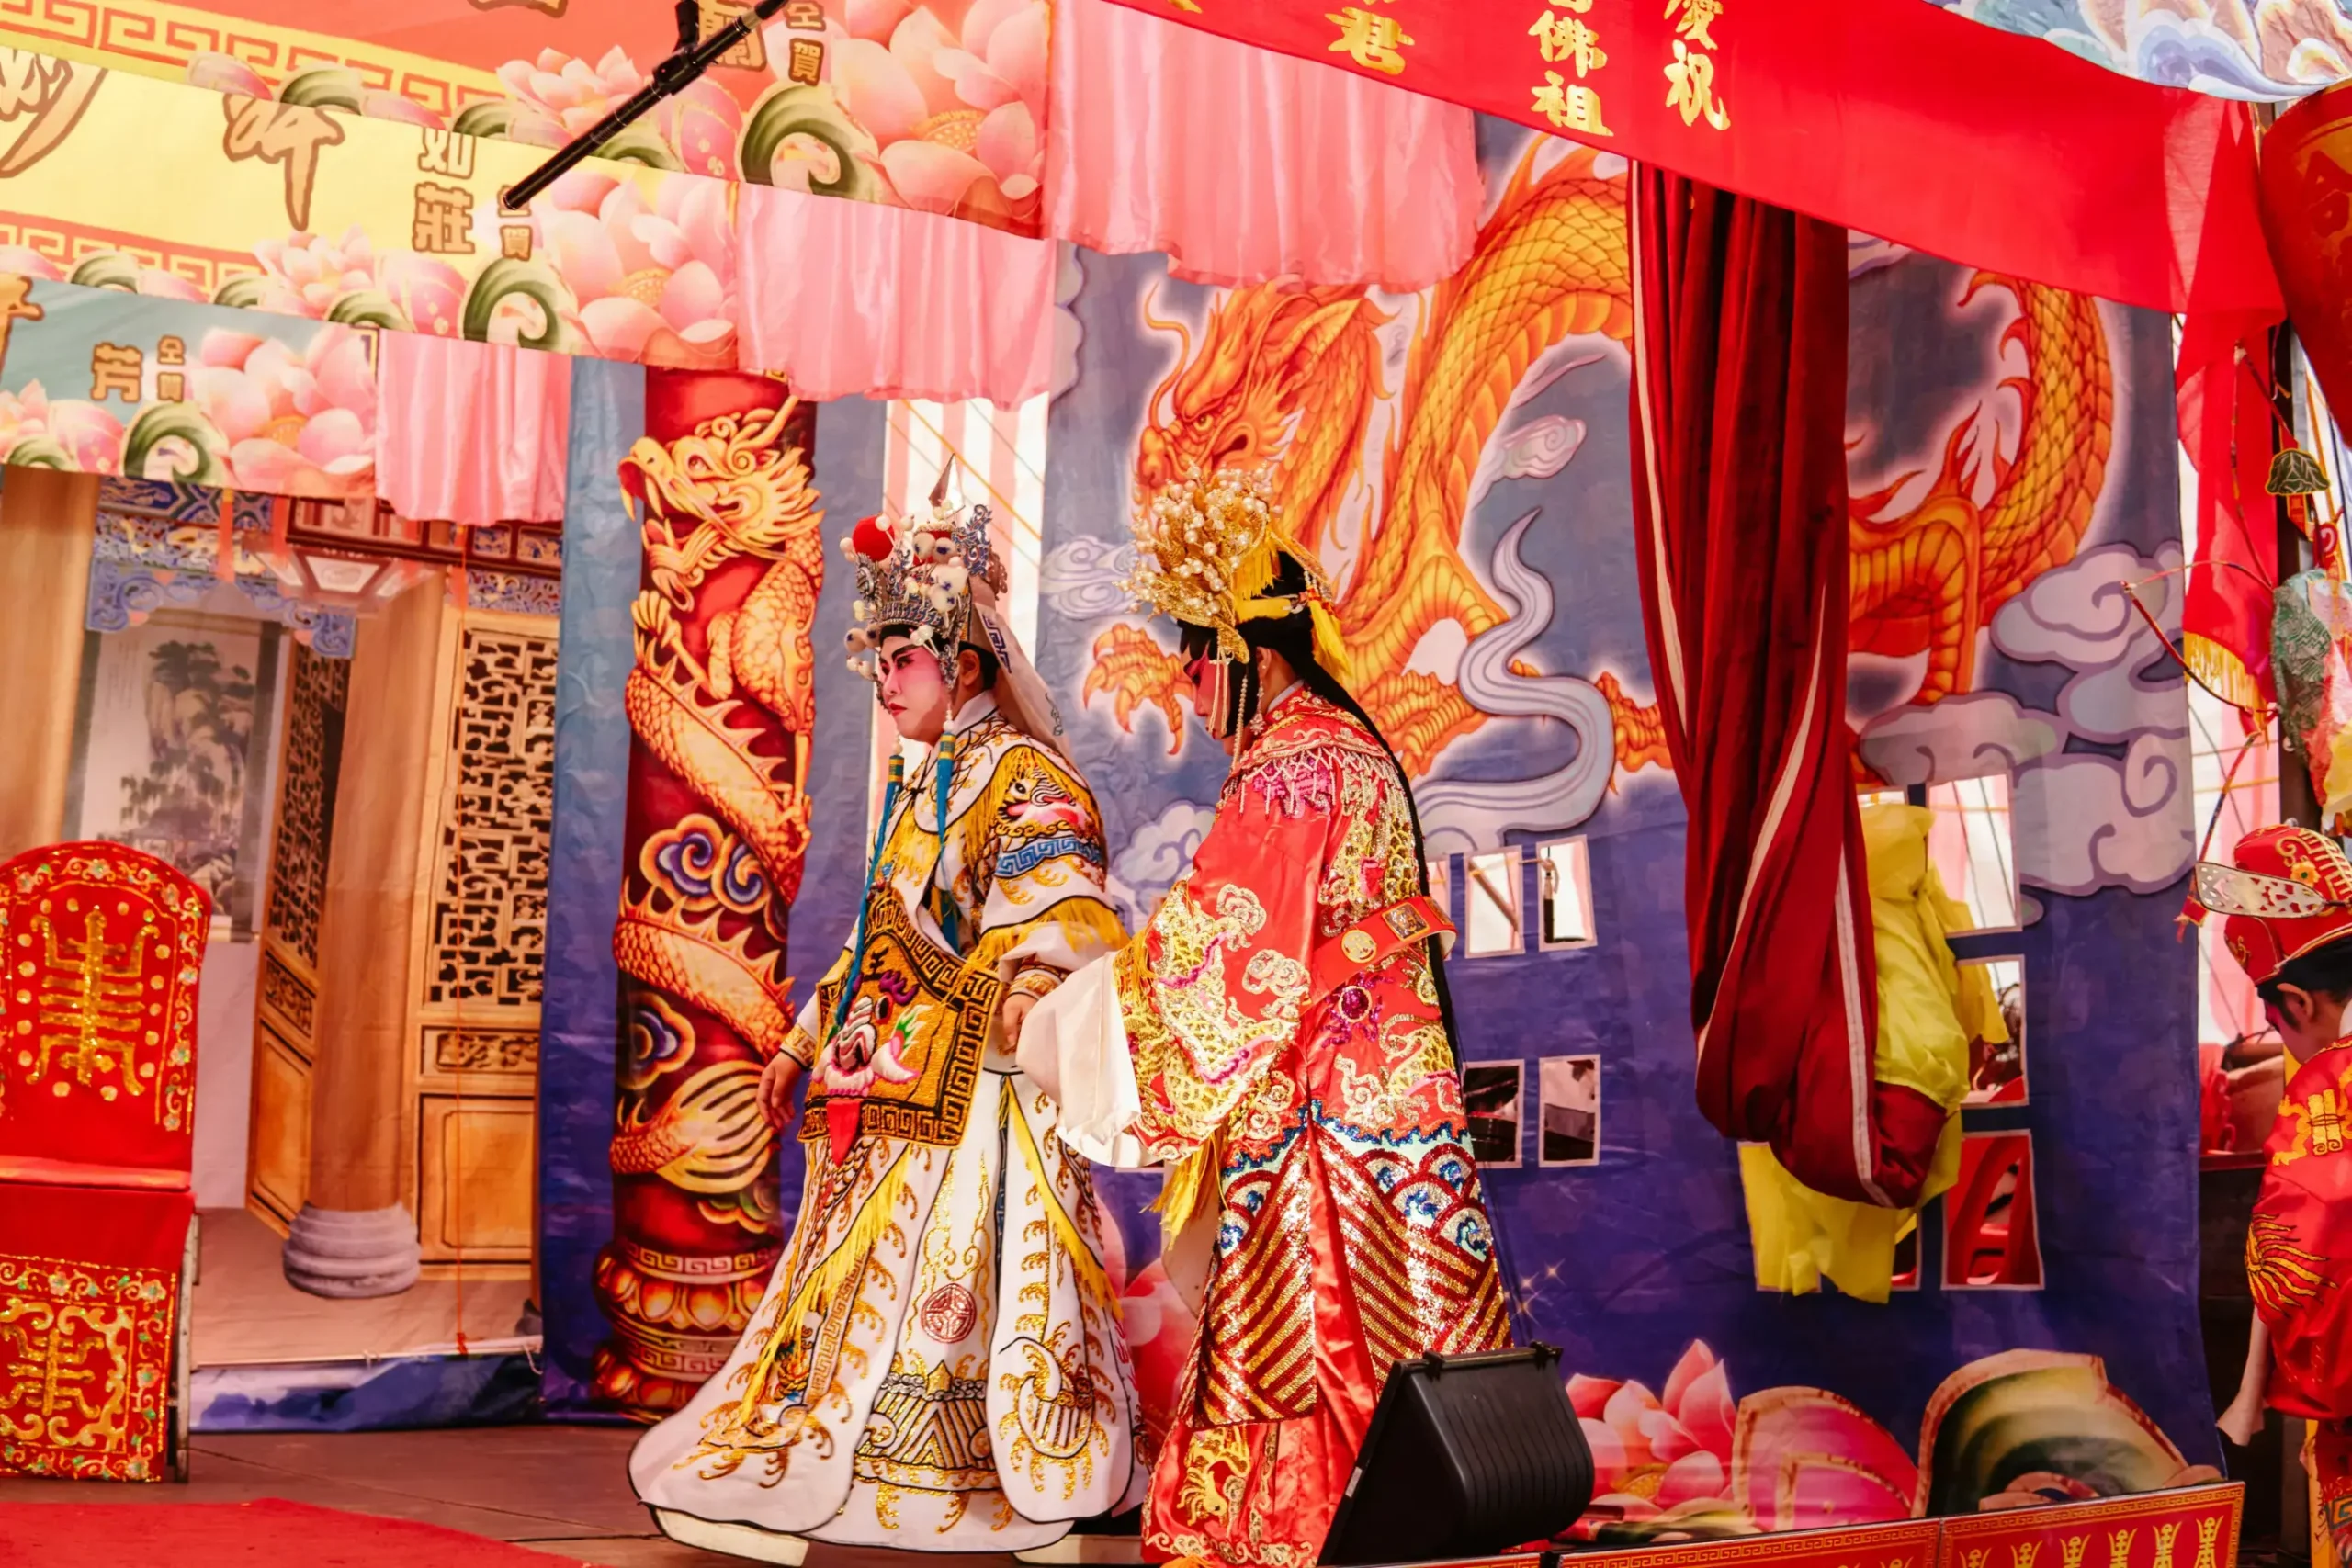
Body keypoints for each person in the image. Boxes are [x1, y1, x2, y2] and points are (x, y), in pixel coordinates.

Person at [632, 489, 1145, 1561]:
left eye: (900, 655)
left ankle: (971, 1467)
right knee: (851, 1289)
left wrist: (1002, 987)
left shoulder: (1030, 778)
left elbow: (1070, 923)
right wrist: (799, 1040)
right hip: (892, 1093)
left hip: (987, 1105)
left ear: (963, 664)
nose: (881, 675)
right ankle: (839, 1456)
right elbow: (878, 935)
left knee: (962, 1294)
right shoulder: (919, 791)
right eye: (876, 654)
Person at [1021, 467, 1514, 1568]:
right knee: (1422, 1310)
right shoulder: (1362, 752)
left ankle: (1290, 1527)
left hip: (1314, 1108)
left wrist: (1072, 1018)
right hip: (1405, 1096)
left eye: (1196, 666)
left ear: (1244, 651)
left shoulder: (1289, 768)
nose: (1192, 696)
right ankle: (1440, 1514)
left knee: (1303, 1330)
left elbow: (1226, 947)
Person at [2196, 826, 2352, 1567]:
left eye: (2274, 1021)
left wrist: (2256, 1388)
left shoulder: (2329, 1082)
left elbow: (2295, 1242)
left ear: (2294, 1000)